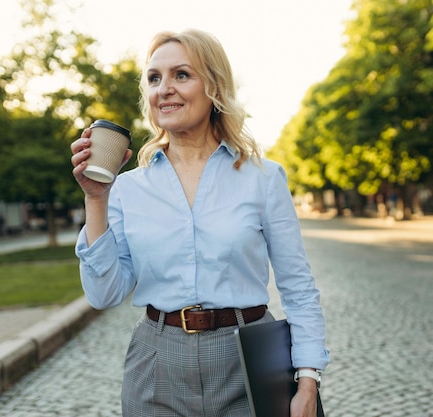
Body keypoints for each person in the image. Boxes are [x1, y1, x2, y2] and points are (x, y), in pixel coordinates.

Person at [70, 29, 329, 417]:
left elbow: (298, 288)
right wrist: (96, 198)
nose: (165, 89)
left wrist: (308, 379)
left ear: (215, 87)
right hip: (155, 363)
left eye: (182, 75)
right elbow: (104, 294)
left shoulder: (263, 178)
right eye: (154, 78)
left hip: (249, 362)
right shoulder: (126, 189)